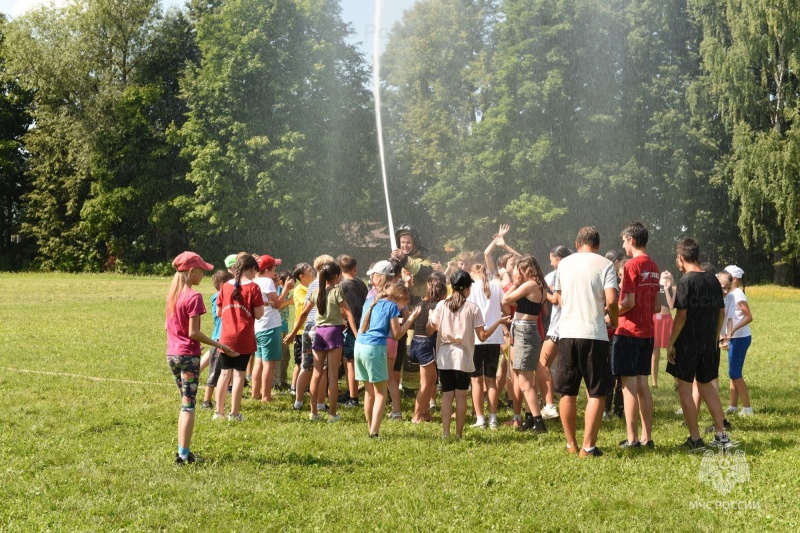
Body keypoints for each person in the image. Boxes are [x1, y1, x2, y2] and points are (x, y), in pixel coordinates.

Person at [553, 227, 619, 457]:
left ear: (577, 243)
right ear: (598, 245)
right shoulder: (605, 265)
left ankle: (571, 444)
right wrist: (614, 318)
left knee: (568, 392)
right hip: (594, 333)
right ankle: (588, 446)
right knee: (597, 392)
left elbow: (559, 300)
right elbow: (611, 299)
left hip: (568, 332)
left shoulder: (564, 264)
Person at [166, 252, 236, 464]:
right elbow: (193, 333)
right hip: (188, 356)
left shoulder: (172, 295)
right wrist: (220, 345)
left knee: (185, 403)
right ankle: (184, 456)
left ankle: (182, 451)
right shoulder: (193, 297)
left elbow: (167, 326)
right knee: (188, 406)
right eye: (201, 271)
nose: (204, 274)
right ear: (190, 271)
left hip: (172, 355)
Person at [666, 238, 732, 451]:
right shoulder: (713, 280)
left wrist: (670, 343)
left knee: (685, 389)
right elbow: (721, 312)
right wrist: (715, 337)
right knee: (707, 386)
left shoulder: (686, 281)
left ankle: (695, 439)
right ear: (698, 256)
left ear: (681, 258)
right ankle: (722, 435)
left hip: (687, 343)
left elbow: (682, 316)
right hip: (708, 343)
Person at [428, 270, 510, 439]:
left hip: (444, 356)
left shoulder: (441, 305)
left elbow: (430, 330)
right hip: (463, 356)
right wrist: (499, 322)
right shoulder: (472, 309)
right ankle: (458, 434)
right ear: (466, 288)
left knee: (446, 395)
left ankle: (445, 433)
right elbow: (483, 336)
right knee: (461, 395)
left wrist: (430, 319)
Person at [287, 262, 358, 421]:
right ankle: (332, 414)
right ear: (335, 276)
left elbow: (304, 315)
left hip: (318, 333)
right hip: (333, 333)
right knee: (332, 376)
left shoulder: (316, 292)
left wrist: (293, 333)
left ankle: (314, 413)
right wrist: (357, 334)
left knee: (316, 373)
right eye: (339, 275)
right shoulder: (337, 291)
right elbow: (349, 313)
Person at [612, 222, 660, 449]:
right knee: (643, 384)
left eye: (623, 241)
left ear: (631, 240)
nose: (623, 245)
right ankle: (647, 437)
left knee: (628, 386)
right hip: (647, 333)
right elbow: (657, 306)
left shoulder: (632, 266)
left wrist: (610, 312)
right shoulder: (654, 266)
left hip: (629, 332)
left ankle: (632, 439)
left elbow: (628, 302)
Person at [355, 283, 420, 438]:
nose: (403, 307)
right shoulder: (391, 306)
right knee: (381, 393)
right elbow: (397, 335)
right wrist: (410, 319)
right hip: (375, 349)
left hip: (359, 346)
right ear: (399, 298)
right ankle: (374, 433)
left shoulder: (371, 301)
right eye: (404, 303)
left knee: (369, 392)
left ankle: (370, 427)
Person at [501, 256, 549, 433]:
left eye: (520, 271)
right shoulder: (541, 285)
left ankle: (538, 422)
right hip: (528, 331)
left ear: (526, 270)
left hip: (524, 333)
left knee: (524, 381)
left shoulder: (530, 285)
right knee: (526, 378)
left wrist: (515, 283)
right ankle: (530, 419)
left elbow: (505, 300)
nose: (518, 274)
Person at [215, 254, 265, 422]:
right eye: (255, 272)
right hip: (243, 337)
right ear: (251, 269)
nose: (255, 276)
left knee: (224, 374)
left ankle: (218, 412)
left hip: (226, 336)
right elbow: (259, 315)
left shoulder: (225, 286)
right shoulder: (253, 287)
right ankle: (234, 414)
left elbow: (219, 312)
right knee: (238, 375)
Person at [467, 263, 506, 429]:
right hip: (494, 337)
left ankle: (480, 419)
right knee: (491, 380)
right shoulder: (496, 287)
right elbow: (504, 306)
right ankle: (493, 418)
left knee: (476, 380)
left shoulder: (470, 288)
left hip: (476, 338)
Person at [537, 246, 571, 421]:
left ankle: (549, 406)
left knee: (542, 364)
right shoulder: (575, 274)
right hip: (572, 327)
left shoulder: (560, 275)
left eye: (551, 259)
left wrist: (545, 292)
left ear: (558, 259)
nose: (550, 263)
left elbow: (559, 302)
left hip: (558, 328)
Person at [410, 272, 447, 423]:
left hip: (416, 343)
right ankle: (416, 415)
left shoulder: (420, 304)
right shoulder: (439, 306)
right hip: (427, 344)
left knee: (430, 380)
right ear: (443, 294)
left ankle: (424, 412)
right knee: (426, 383)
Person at [337, 255, 369, 408]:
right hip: (363, 323)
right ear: (355, 268)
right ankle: (351, 392)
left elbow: (342, 310)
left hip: (351, 326)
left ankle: (353, 397)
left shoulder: (341, 286)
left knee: (350, 361)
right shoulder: (361, 284)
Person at [252, 255, 284, 403]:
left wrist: (276, 285)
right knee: (269, 364)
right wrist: (286, 289)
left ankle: (255, 393)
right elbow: (277, 304)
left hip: (258, 326)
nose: (275, 272)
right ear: (267, 270)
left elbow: (268, 300)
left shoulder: (255, 280)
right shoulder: (266, 281)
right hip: (270, 326)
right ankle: (266, 397)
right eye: (273, 269)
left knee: (258, 361)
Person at [199, 269, 233, 410]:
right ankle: (207, 400)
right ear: (222, 285)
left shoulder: (224, 295)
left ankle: (220, 400)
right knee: (214, 371)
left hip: (227, 337)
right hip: (219, 338)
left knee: (225, 371)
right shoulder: (218, 297)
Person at [723, 265, 754, 416]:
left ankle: (747, 408)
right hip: (734, 338)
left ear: (734, 278)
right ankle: (733, 406)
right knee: (732, 373)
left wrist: (733, 329)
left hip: (740, 338)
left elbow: (749, 316)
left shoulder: (738, 294)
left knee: (735, 373)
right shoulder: (732, 293)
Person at [289, 263, 314, 398]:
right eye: (309, 270)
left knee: (309, 360)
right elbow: (307, 303)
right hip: (300, 331)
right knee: (300, 361)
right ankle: (294, 386)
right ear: (301, 276)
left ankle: (305, 386)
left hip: (309, 329)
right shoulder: (299, 289)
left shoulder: (310, 287)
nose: (312, 271)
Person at [651, 271, 676, 388]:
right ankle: (654, 383)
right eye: (663, 271)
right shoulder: (655, 285)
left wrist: (666, 290)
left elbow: (671, 306)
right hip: (655, 319)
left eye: (668, 272)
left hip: (667, 320)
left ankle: (677, 382)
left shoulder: (674, 288)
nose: (666, 270)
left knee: (670, 351)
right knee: (655, 353)